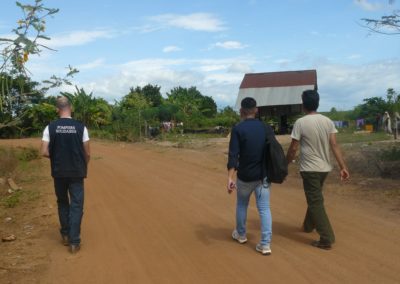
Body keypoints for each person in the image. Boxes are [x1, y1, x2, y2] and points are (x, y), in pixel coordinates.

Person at [286, 90, 349, 250]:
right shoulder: (327, 121)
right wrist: (343, 167)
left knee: (315, 201)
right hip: (324, 168)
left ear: (303, 104)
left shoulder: (301, 122)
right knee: (315, 198)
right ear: (317, 103)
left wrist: (285, 164)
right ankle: (308, 226)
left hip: (309, 169)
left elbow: (293, 148)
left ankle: (326, 237)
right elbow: (334, 145)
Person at [41, 96, 90, 254]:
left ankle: (66, 236)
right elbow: (87, 153)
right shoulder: (81, 127)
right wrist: (82, 165)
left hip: (59, 172)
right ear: (71, 107)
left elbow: (44, 151)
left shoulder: (50, 127)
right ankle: (74, 243)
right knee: (76, 205)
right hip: (76, 172)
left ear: (57, 109)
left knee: (63, 203)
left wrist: (55, 158)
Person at [227, 97, 273, 255]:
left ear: (241, 111)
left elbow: (233, 155)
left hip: (245, 176)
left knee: (241, 205)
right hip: (263, 176)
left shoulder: (238, 129)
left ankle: (240, 234)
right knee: (264, 209)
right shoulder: (266, 128)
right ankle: (265, 244)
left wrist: (230, 178)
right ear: (256, 110)